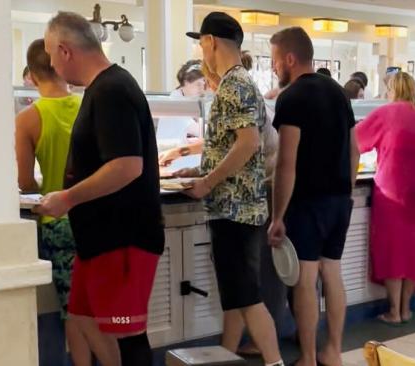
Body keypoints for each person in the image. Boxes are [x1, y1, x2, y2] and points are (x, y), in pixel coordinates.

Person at [38, 11, 164, 366]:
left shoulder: (112, 90)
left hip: (123, 238)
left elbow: (127, 165)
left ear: (65, 51)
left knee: (126, 333)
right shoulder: (101, 89)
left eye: (50, 55)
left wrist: (67, 197)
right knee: (83, 319)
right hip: (98, 241)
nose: (51, 64)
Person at [179, 12, 284, 366]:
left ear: (210, 42)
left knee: (248, 297)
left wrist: (208, 181)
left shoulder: (234, 85)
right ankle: (226, 355)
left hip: (233, 209)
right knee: (238, 296)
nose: (200, 49)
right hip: (244, 206)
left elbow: (248, 143)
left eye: (201, 42)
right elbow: (236, 146)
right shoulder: (240, 82)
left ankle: (273, 361)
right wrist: (202, 168)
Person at [267, 26, 358, 366]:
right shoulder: (337, 92)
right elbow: (355, 149)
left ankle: (306, 357)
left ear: (290, 58)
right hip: (338, 200)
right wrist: (345, 192)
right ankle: (332, 351)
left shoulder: (291, 98)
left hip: (307, 202)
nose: (275, 68)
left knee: (305, 279)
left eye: (276, 61)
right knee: (331, 273)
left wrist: (278, 216)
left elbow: (286, 164)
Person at [356, 72, 415, 325]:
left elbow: (355, 140)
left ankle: (393, 311)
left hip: (393, 189)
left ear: (392, 89)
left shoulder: (386, 112)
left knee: (392, 248)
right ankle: (406, 308)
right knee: (414, 248)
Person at [15, 39, 81, 324]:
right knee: (102, 310)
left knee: (74, 314)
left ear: (31, 73)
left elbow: (26, 182)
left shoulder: (28, 119)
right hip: (97, 216)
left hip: (59, 223)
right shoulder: (89, 103)